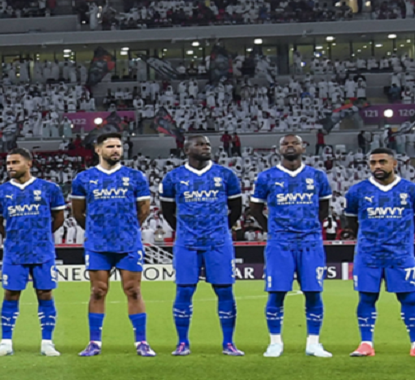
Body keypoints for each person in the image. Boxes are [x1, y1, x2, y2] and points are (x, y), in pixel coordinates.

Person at [344, 148, 415, 357]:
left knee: (409, 298)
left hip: (400, 254)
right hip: (368, 254)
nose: (377, 166)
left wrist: (400, 238)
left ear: (394, 164)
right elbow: (352, 222)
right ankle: (366, 344)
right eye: (373, 163)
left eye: (382, 162)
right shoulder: (357, 191)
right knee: (367, 297)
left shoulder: (413, 190)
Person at [249, 134, 333, 358]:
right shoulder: (267, 177)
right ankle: (275, 342)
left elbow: (324, 207)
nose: (290, 146)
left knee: (313, 293)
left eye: (294, 143)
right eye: (285, 144)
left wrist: (311, 227)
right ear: (279, 149)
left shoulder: (317, 176)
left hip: (310, 242)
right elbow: (255, 209)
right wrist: (272, 230)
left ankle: (313, 343)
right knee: (276, 293)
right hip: (280, 243)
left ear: (303, 148)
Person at [70, 132, 154, 357]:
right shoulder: (84, 178)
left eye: (118, 146)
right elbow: (78, 212)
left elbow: (144, 210)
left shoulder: (135, 176)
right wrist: (96, 230)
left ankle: (142, 342)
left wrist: (127, 229)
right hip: (97, 244)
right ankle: (94, 342)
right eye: (110, 146)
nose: (115, 150)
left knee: (133, 290)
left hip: (129, 243)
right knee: (98, 291)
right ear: (98, 150)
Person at [160, 135, 244, 356]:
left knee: (224, 290)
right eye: (199, 144)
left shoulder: (225, 175)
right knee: (185, 290)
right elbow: (167, 211)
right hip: (187, 243)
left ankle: (228, 343)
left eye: (207, 144)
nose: (206, 147)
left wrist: (220, 228)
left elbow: (236, 208)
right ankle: (182, 343)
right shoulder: (173, 177)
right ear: (187, 150)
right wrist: (184, 230)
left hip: (218, 242)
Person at [0, 148, 66, 357]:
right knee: (11, 293)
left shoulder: (49, 188)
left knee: (45, 293)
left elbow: (59, 218)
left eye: (15, 162)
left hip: (43, 251)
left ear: (29, 163)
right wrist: (13, 238)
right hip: (14, 252)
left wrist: (42, 235)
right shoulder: (0, 192)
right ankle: (5, 342)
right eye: (8, 163)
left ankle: (47, 342)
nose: (10, 167)